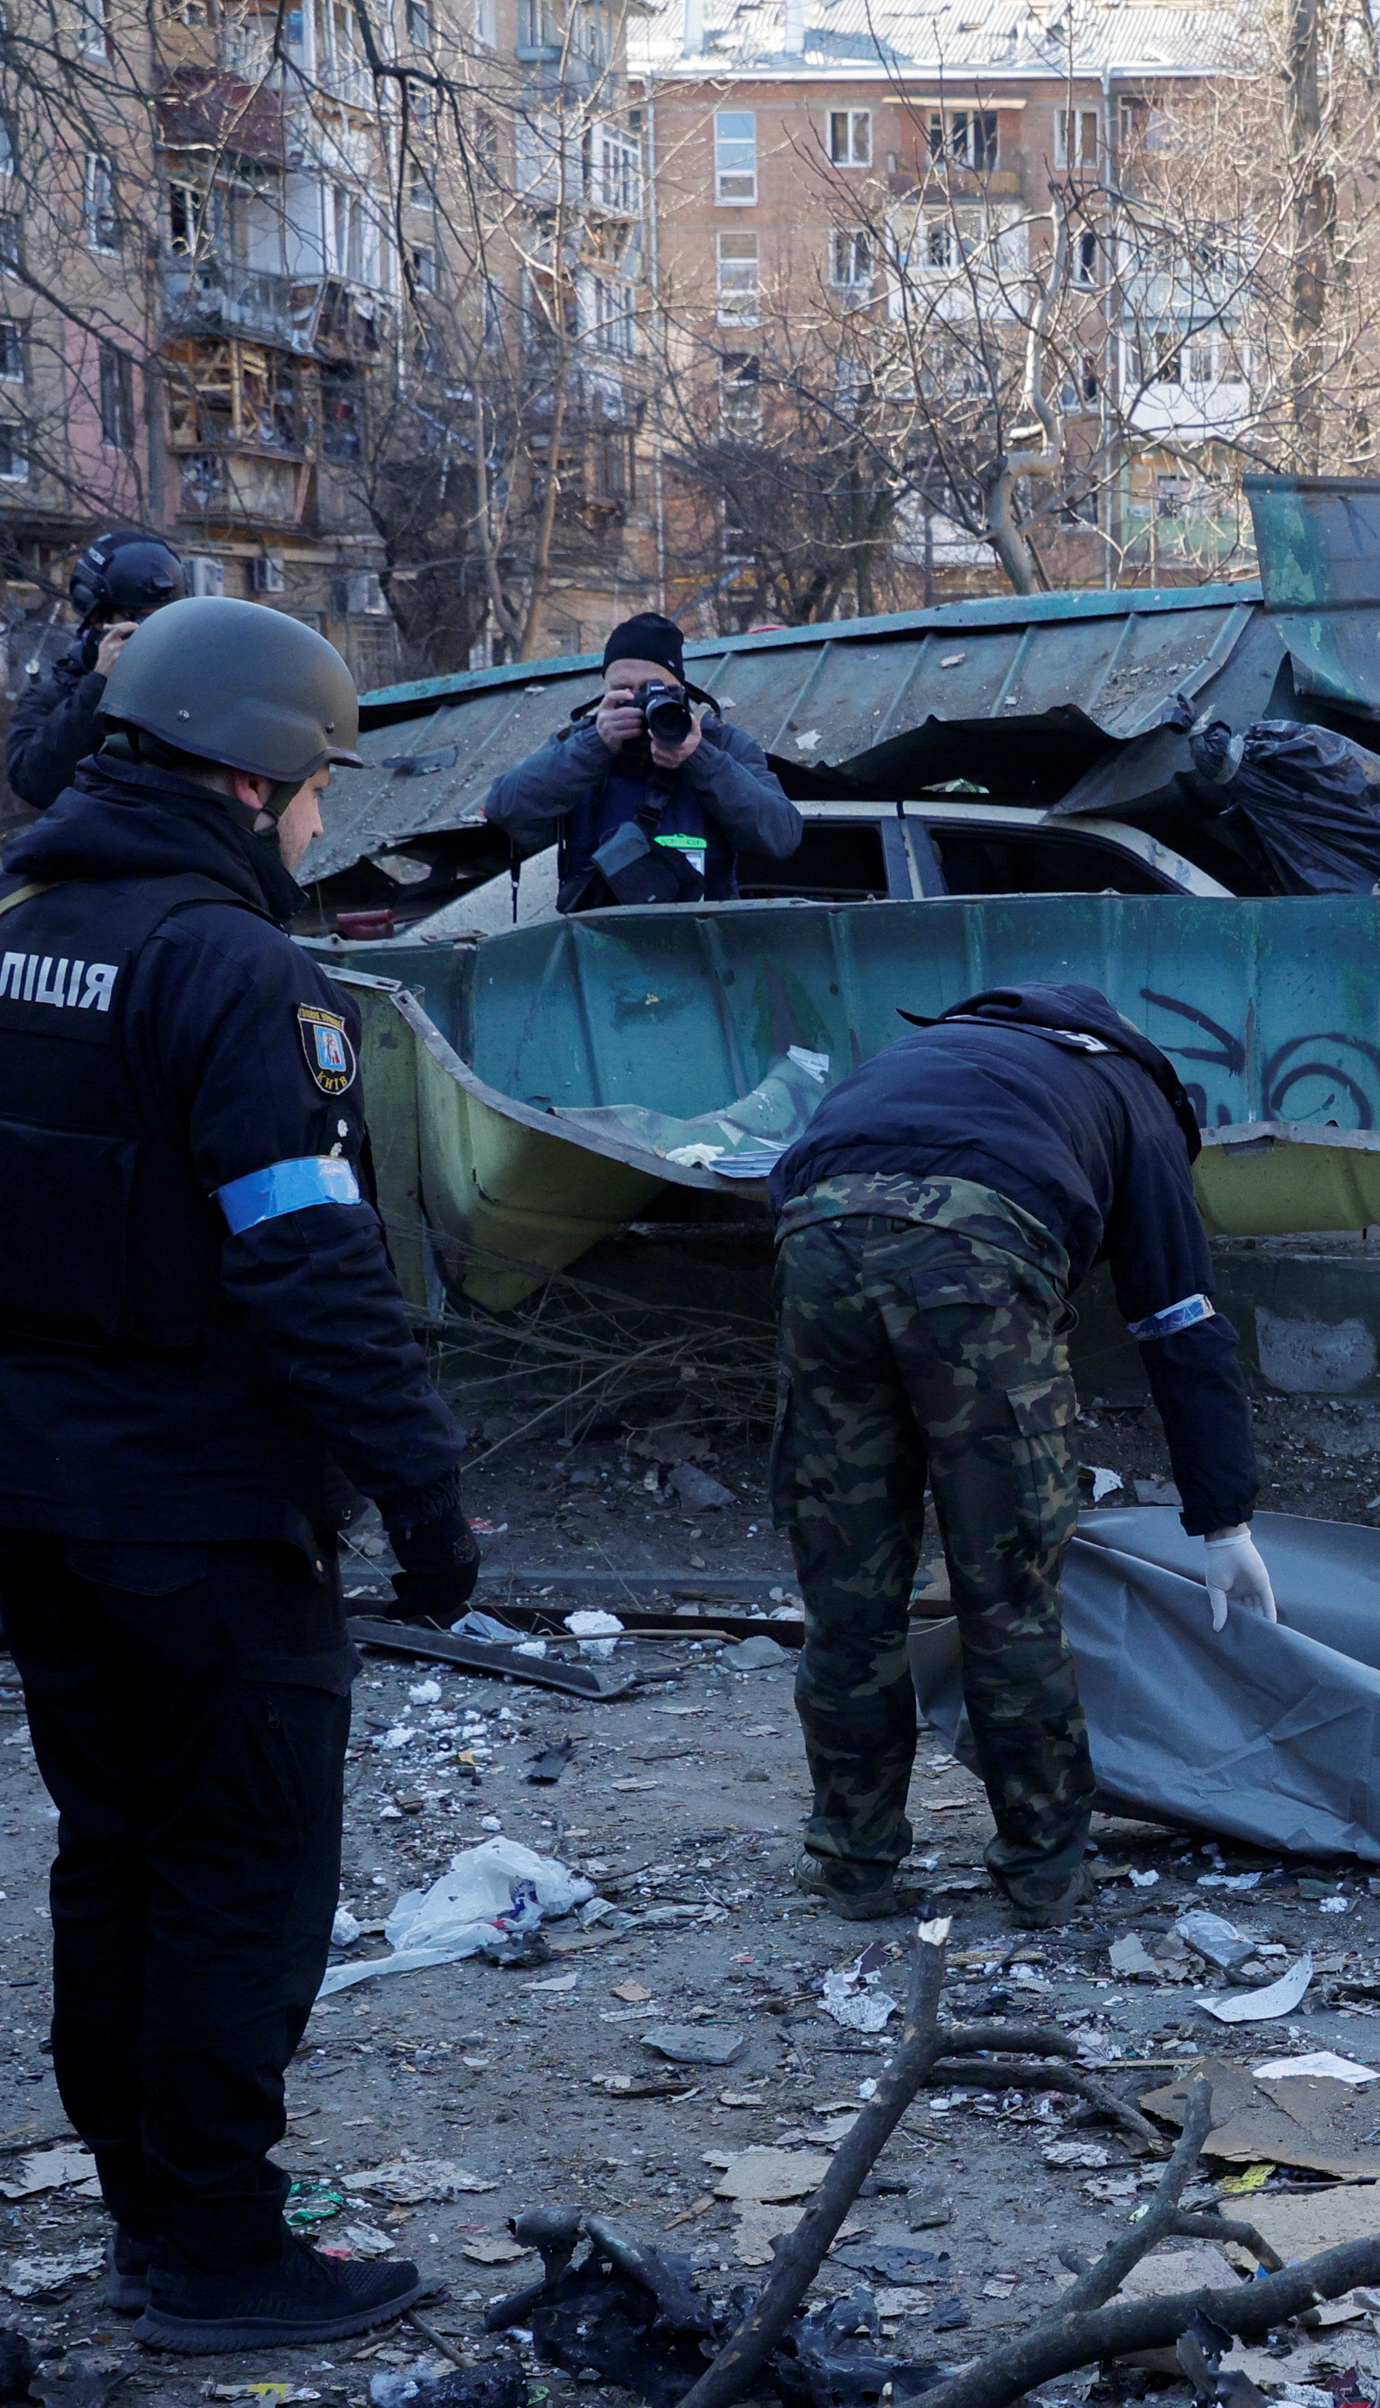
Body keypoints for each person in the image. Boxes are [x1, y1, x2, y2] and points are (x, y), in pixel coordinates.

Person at [0, 597, 473, 2357]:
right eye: (317, 785)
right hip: (200, 1500)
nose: (324, 819)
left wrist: (34, 1277)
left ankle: (142, 2214)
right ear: (255, 776)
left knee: (111, 1847)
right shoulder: (241, 970)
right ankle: (218, 2250)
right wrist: (421, 1487)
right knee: (239, 1870)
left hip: (36, 1487)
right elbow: (306, 1259)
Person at [766, 980, 1261, 1925]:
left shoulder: (917, 1060)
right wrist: (1223, 1514)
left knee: (849, 1594)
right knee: (1008, 1593)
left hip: (818, 1246)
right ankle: (1044, 1871)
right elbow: (1179, 1320)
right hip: (979, 1259)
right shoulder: (1132, 1096)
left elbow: (799, 1190)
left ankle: (851, 1861)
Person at [483, 610, 804, 910]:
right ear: (605, 693)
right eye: (625, 691)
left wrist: (699, 758)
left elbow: (781, 835)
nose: (642, 703)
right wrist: (597, 744)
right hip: (597, 948)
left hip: (704, 947)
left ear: (681, 691)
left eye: (656, 690)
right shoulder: (581, 743)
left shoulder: (722, 745)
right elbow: (507, 810)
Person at [5, 528, 190, 810]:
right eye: (138, 619)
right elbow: (35, 784)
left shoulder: (192, 679)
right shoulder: (55, 695)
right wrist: (99, 685)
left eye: (164, 619)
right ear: (97, 619)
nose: (155, 632)